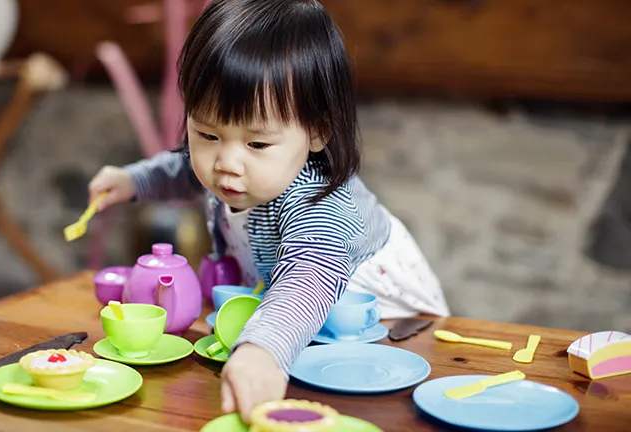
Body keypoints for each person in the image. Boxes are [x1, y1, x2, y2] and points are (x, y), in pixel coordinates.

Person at [88, 0, 449, 421]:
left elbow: (306, 280)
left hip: (391, 334)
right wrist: (134, 181)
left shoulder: (322, 205)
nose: (227, 162)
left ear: (318, 130)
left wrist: (263, 350)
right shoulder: (234, 162)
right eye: (207, 132)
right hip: (299, 332)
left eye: (256, 144)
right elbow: (184, 167)